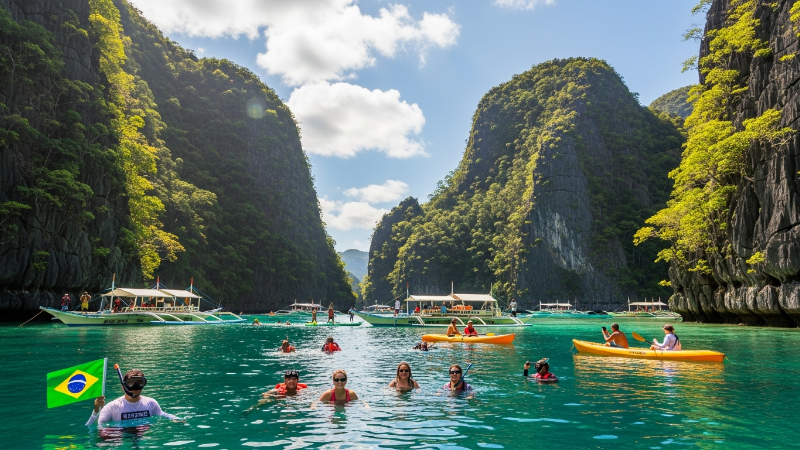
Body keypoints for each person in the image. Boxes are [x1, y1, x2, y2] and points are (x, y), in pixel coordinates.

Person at [87, 369, 179, 427]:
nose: (135, 387)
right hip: (120, 438)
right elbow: (92, 427)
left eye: (139, 382)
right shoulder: (113, 407)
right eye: (131, 383)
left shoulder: (151, 403)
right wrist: (96, 411)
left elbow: (162, 414)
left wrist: (177, 419)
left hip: (143, 437)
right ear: (123, 387)